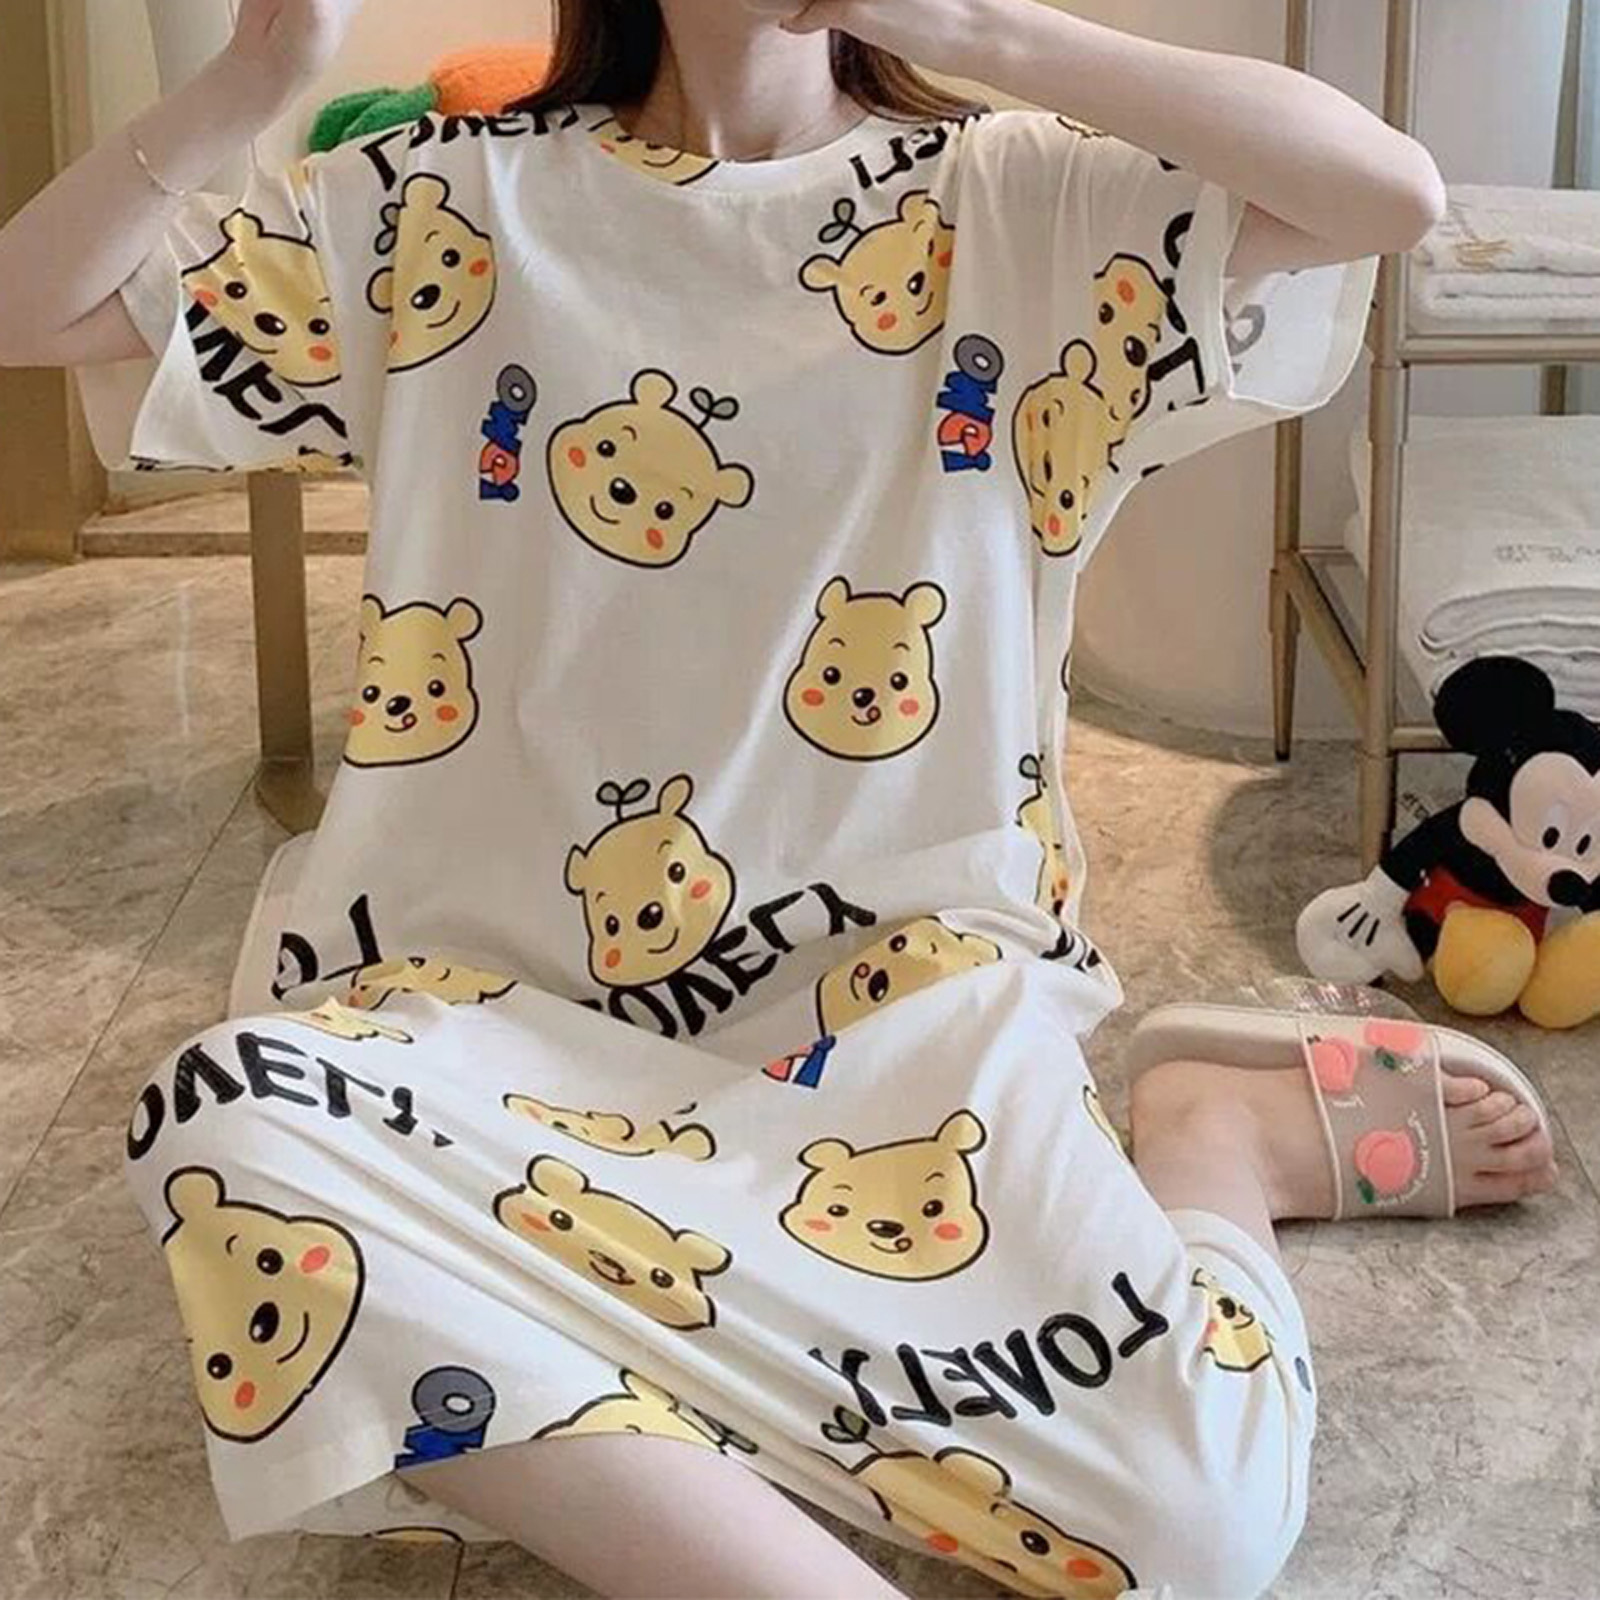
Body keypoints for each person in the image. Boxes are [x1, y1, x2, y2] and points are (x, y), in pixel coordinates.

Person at [0, 2, 1557, 1595]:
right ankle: (722, 1371)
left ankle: (1210, 1143)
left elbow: (1385, 195)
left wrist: (972, 26)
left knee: (1198, 1527)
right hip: (494, 1017)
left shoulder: (1019, 198)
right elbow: (27, 302)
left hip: (900, 1006)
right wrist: (261, 76)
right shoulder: (439, 201)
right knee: (231, 1115)